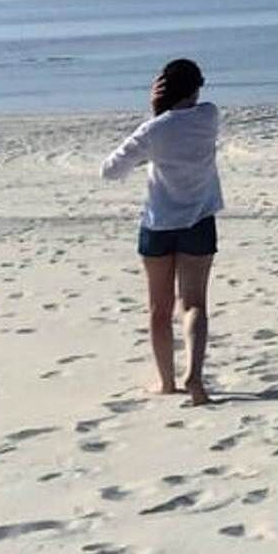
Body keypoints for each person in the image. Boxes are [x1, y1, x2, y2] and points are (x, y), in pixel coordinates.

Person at [101, 58, 222, 405]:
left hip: (157, 223)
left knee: (159, 307)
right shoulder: (209, 116)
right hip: (198, 221)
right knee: (194, 303)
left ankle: (166, 381)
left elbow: (110, 171)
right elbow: (183, 123)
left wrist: (155, 114)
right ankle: (195, 377)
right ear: (196, 88)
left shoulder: (153, 130)